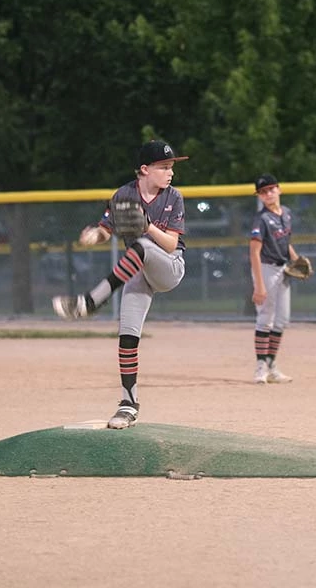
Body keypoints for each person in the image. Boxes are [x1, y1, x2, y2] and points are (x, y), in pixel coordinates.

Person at [51, 139, 188, 430]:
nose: (170, 172)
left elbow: (169, 244)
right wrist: (94, 236)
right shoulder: (124, 195)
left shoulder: (174, 196)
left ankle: (91, 301)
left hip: (168, 265)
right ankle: (128, 404)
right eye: (164, 167)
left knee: (142, 244)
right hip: (137, 268)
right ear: (145, 169)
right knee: (127, 336)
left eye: (171, 167)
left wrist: (147, 226)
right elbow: (106, 229)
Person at [249, 173, 300, 384]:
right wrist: (259, 286)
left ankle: (271, 366)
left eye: (271, 189)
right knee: (265, 319)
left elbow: (286, 242)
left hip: (283, 269)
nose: (268, 194)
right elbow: (254, 252)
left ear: (279, 189)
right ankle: (260, 367)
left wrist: (296, 259)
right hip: (266, 268)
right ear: (259, 196)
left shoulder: (286, 213)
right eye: (263, 192)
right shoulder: (261, 220)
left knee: (281, 320)